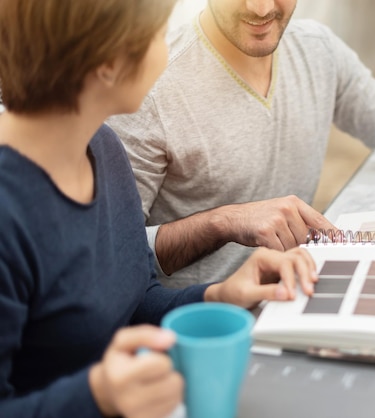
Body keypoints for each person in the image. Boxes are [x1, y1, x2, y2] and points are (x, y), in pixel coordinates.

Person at [0, 1, 318, 417]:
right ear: (108, 64)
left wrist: (218, 296)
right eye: (157, 32)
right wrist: (98, 395)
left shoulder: (104, 149)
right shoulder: (9, 214)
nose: (168, 43)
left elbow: (134, 301)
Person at [107, 0, 375, 289]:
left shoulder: (317, 50)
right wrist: (223, 222)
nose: (262, 9)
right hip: (205, 325)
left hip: (297, 289)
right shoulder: (151, 86)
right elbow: (112, 255)